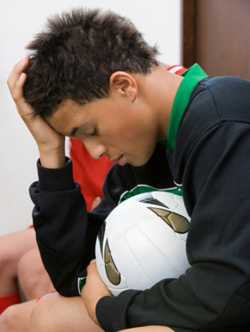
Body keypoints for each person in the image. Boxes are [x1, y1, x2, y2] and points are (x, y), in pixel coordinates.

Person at [7, 7, 250, 332]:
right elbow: (74, 274)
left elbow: (226, 293)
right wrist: (51, 153)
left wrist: (106, 308)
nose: (95, 152)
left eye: (90, 131)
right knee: (41, 317)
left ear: (124, 86)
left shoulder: (224, 124)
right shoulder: (145, 151)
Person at [0, 139, 112, 313]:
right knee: (2, 253)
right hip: (82, 212)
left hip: (107, 220)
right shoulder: (77, 135)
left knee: (32, 268)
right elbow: (81, 191)